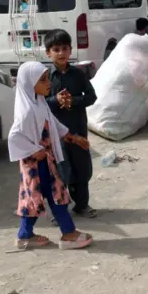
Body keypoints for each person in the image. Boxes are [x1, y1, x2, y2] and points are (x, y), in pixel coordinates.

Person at [8, 61, 94, 250]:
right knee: (56, 195)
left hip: (45, 162)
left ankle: (25, 235)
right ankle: (68, 233)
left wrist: (73, 138)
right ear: (30, 84)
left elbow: (54, 125)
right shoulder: (27, 111)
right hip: (36, 165)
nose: (48, 83)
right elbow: (14, 137)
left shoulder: (39, 104)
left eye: (47, 78)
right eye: (43, 80)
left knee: (38, 196)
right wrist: (33, 150)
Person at [44, 30, 98, 219]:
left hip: (77, 128)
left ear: (71, 50)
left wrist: (73, 101)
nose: (61, 53)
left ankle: (82, 205)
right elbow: (38, 103)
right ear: (48, 53)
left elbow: (92, 97)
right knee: (59, 170)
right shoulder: (46, 77)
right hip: (55, 133)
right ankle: (59, 209)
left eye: (65, 49)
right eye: (56, 49)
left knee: (81, 167)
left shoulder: (78, 74)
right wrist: (55, 100)